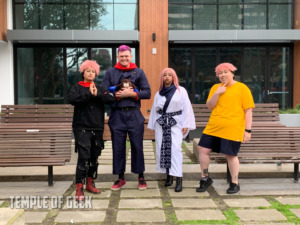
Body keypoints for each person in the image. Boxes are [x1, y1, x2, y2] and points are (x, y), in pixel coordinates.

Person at [196, 63, 254, 194]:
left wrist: (248, 130)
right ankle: (205, 178)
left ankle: (234, 182)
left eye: (225, 72)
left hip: (232, 127)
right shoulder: (216, 88)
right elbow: (210, 106)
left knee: (230, 154)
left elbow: (248, 111)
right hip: (214, 125)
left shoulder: (242, 88)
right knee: (202, 149)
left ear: (232, 73)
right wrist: (217, 93)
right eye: (220, 73)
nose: (222, 75)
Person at [102, 45, 151, 190]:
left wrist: (132, 94)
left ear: (131, 56)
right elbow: (104, 93)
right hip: (117, 115)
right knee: (118, 147)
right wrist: (116, 95)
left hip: (134, 114)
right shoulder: (110, 73)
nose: (124, 58)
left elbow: (147, 92)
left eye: (126, 56)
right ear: (117, 57)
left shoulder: (139, 72)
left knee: (137, 146)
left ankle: (141, 176)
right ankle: (120, 178)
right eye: (121, 56)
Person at [68, 60, 115, 201]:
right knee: (84, 157)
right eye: (88, 71)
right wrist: (89, 94)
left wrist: (97, 94)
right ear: (83, 72)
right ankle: (79, 187)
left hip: (97, 127)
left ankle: (90, 182)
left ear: (96, 73)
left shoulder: (99, 88)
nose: (90, 73)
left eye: (93, 71)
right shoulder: (77, 88)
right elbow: (72, 99)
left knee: (94, 157)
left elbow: (110, 99)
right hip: (82, 127)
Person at [148, 68, 196, 192]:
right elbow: (154, 109)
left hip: (176, 124)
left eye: (170, 75)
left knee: (175, 150)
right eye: (165, 75)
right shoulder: (158, 93)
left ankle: (178, 178)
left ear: (174, 77)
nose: (167, 77)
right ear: (162, 78)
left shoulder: (181, 91)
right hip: (161, 125)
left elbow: (187, 108)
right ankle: (168, 176)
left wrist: (186, 123)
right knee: (162, 149)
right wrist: (153, 124)